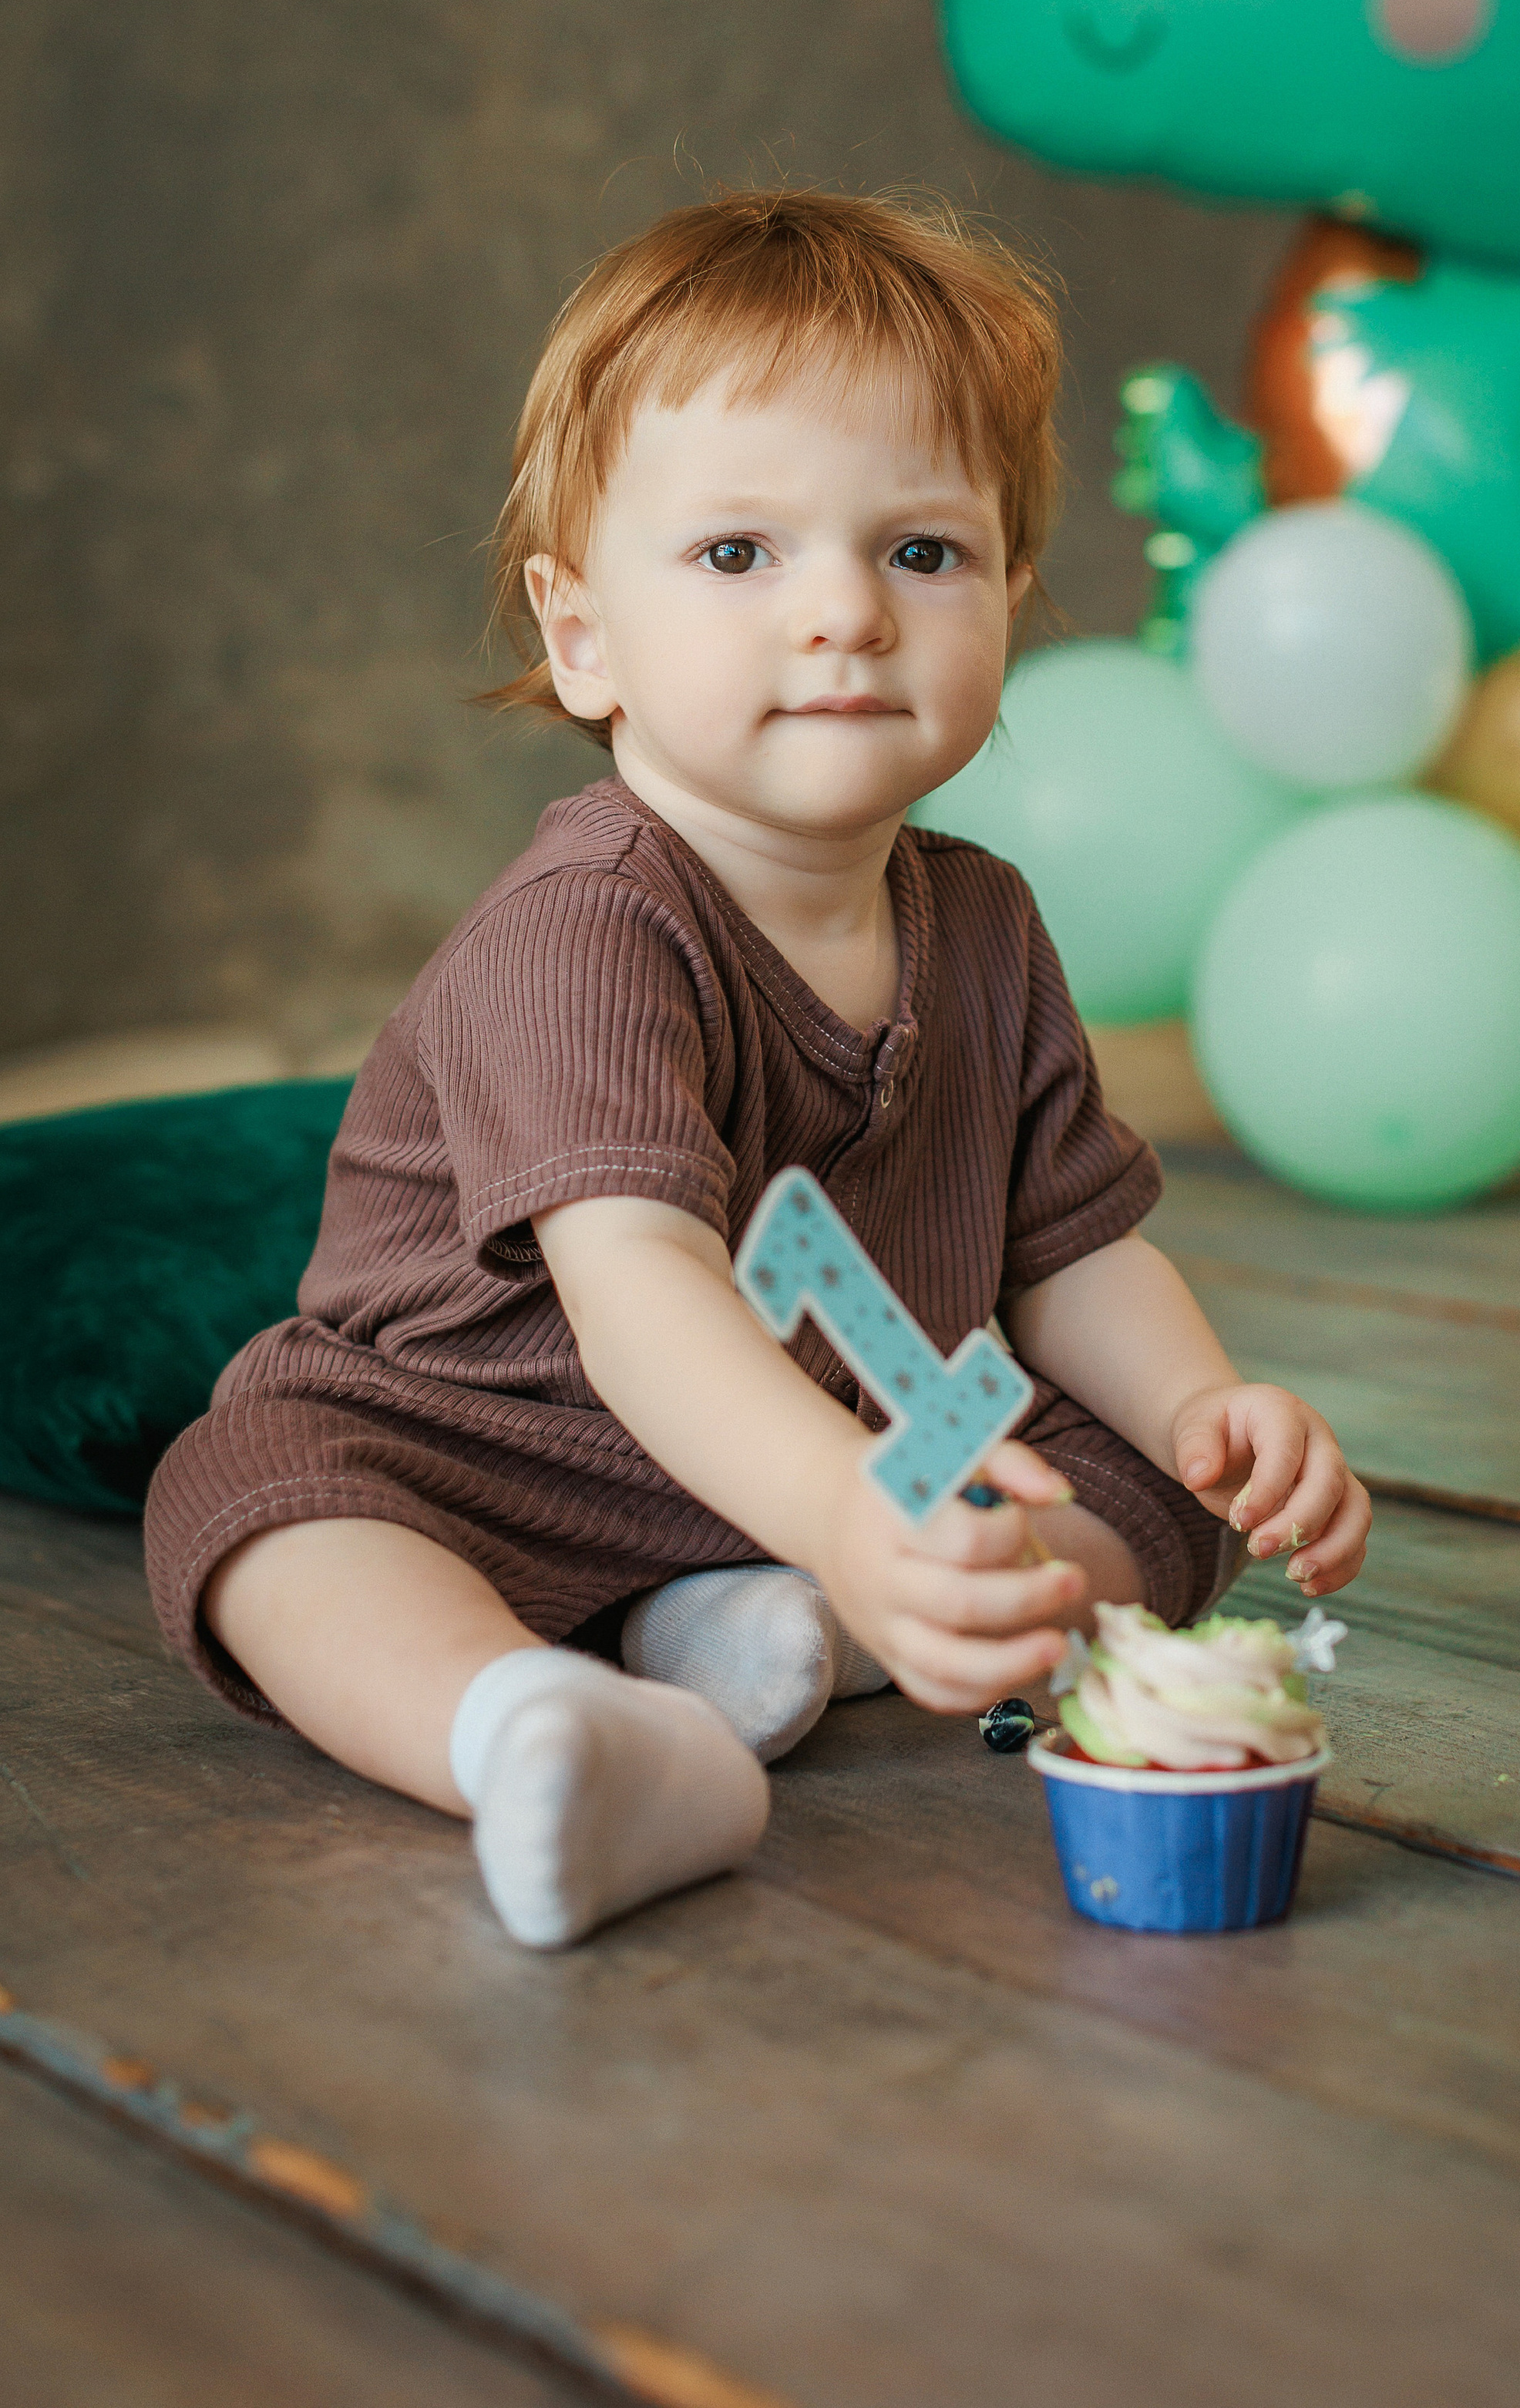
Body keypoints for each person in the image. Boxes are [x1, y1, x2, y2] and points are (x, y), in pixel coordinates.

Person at [144, 190, 1371, 1950]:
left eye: (922, 554)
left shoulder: (988, 923)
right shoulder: (589, 925)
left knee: (1153, 1499)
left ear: (1010, 598)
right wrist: (847, 1506)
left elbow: (1069, 1254)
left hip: (849, 1454)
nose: (844, 615)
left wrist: (1203, 1414)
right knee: (252, 1501)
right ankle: (527, 1726)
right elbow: (640, 1289)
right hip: (508, 1449)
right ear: (582, 638)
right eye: (739, 556)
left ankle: (799, 1628)